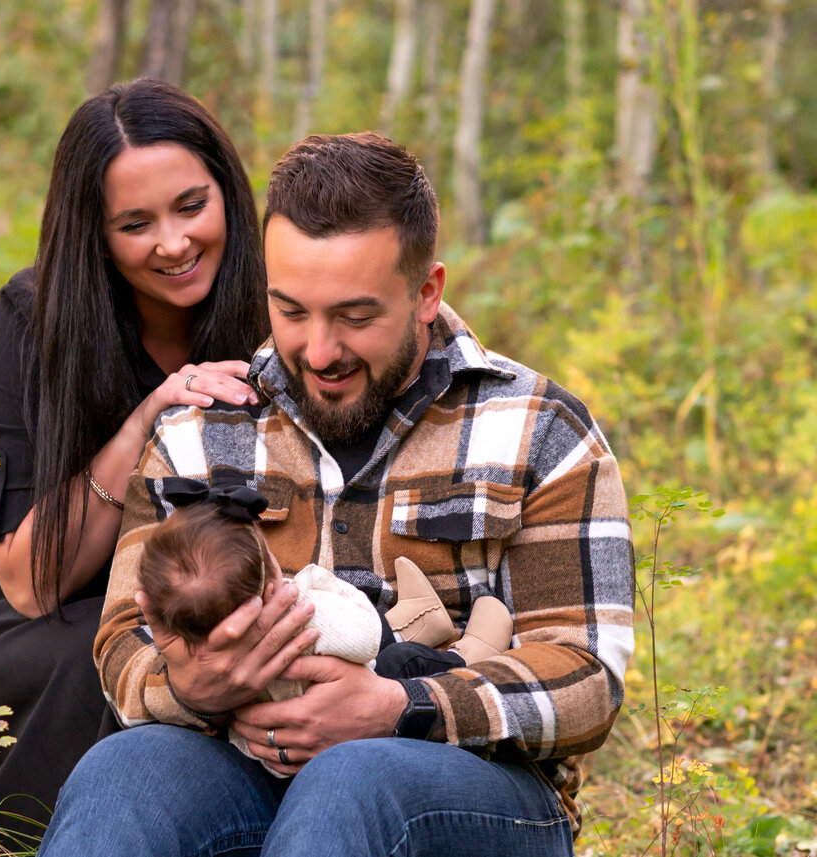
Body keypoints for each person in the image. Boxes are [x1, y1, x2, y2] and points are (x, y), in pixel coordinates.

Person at [39, 132, 635, 856]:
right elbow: (123, 639)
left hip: (477, 794)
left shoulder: (540, 431)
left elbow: (585, 677)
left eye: (354, 316)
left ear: (426, 292)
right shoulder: (203, 428)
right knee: (124, 773)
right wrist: (192, 684)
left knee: (351, 784)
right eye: (291, 311)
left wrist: (400, 705)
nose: (319, 351)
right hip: (244, 765)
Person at [0, 78, 269, 847]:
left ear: (228, 192)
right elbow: (30, 579)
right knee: (102, 658)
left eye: (191, 206)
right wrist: (148, 416)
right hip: (34, 603)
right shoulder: (32, 321)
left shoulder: (280, 302)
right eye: (135, 223)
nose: (172, 243)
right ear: (95, 233)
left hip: (224, 581)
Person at [136, 479, 512, 777]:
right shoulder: (299, 614)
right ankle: (466, 654)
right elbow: (363, 637)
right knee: (399, 662)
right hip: (343, 734)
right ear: (268, 582)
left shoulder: (197, 644)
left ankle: (416, 620)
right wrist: (313, 585)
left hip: (261, 756)